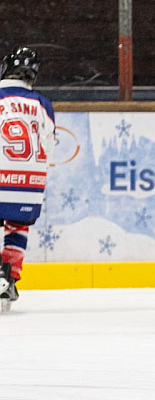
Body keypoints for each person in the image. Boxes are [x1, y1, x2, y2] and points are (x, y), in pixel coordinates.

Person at [0, 47, 55, 314]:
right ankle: (7, 276)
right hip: (29, 182)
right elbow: (49, 147)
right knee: (17, 227)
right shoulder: (42, 103)